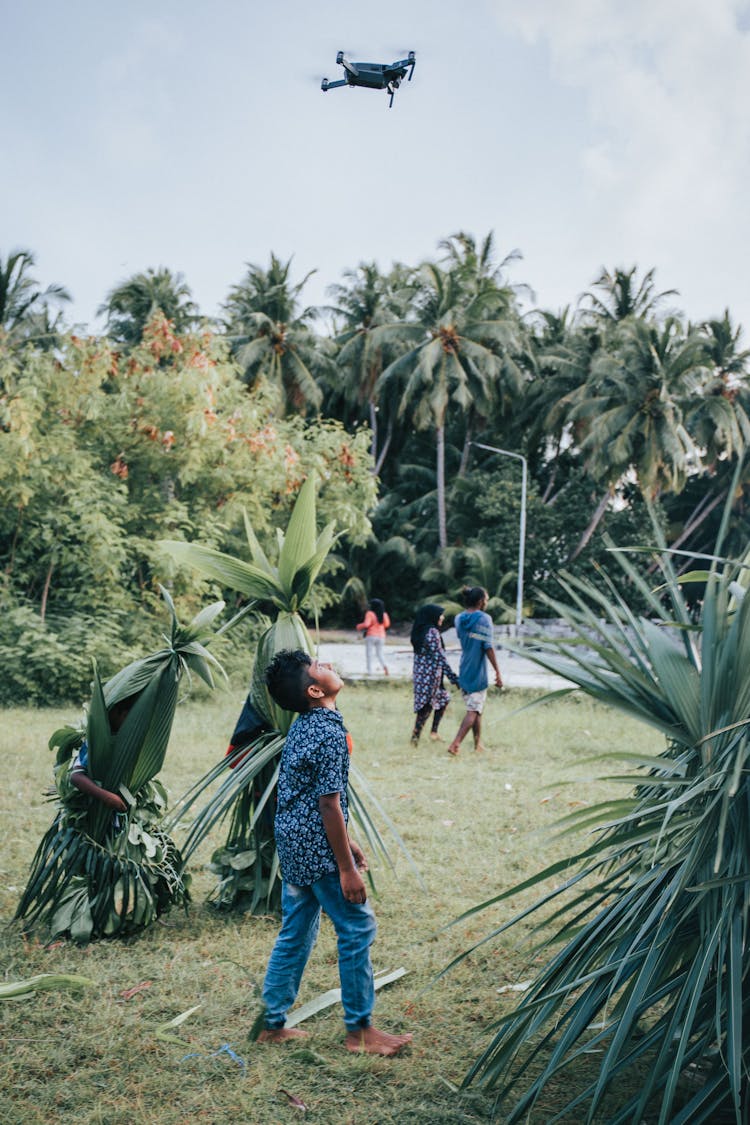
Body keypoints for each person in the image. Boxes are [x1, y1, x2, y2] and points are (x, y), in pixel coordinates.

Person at [257, 648, 412, 1056]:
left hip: (293, 841)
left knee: (296, 931)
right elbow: (327, 803)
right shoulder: (328, 731)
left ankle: (271, 1024)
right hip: (316, 846)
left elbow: (314, 799)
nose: (328, 666)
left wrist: (349, 841)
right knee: (357, 927)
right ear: (314, 688)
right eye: (320, 667)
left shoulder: (306, 725)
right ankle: (359, 1030)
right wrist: (346, 868)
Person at [447, 587, 503, 757]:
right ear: (480, 602)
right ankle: (455, 744)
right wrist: (498, 672)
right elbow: (488, 646)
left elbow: (467, 637)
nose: (486, 603)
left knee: (477, 708)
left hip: (464, 667)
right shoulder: (485, 619)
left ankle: (478, 744)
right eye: (486, 600)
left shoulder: (459, 618)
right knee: (473, 710)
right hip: (478, 669)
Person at [410, 603, 459, 745]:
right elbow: (440, 657)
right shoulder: (432, 633)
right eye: (440, 615)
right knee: (426, 706)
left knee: (443, 698)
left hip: (421, 675)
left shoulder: (420, 631)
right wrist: (454, 678)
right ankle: (416, 736)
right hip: (430, 677)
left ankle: (432, 732)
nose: (442, 618)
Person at [356, 598, 390, 676]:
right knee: (380, 653)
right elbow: (387, 625)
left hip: (371, 635)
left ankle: (370, 671)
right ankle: (385, 666)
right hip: (381, 636)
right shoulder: (384, 614)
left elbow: (366, 624)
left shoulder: (370, 613)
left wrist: (359, 626)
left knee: (369, 654)